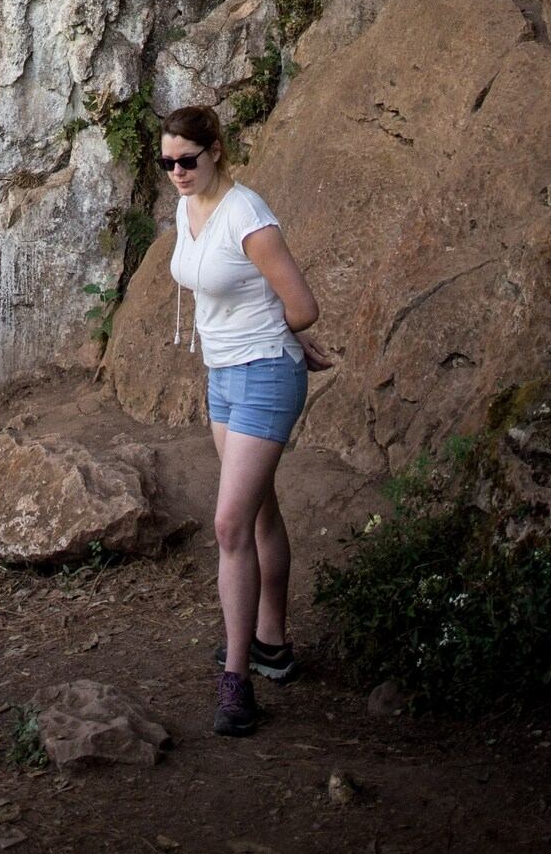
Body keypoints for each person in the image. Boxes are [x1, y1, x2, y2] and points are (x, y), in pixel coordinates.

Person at [160, 103, 331, 738]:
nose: (177, 171)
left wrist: (283, 339)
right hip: (223, 377)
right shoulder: (188, 205)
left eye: (187, 160)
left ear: (216, 152)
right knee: (259, 514)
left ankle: (237, 681)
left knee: (229, 524)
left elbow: (302, 306)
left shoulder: (247, 216)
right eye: (167, 162)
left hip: (264, 375)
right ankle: (272, 644)